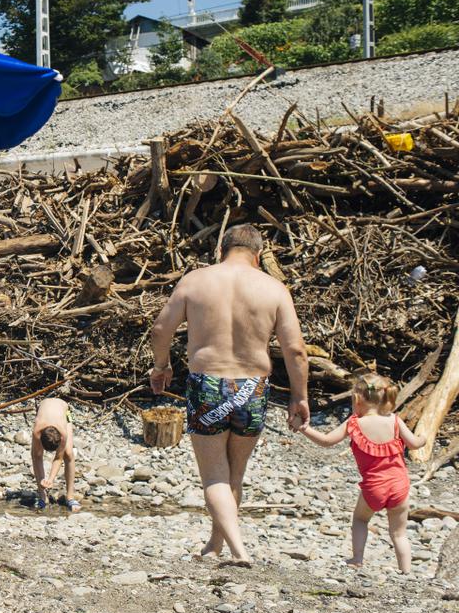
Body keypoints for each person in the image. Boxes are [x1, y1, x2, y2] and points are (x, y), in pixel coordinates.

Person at [148, 224, 309, 564]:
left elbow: (161, 328)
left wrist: (161, 366)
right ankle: (215, 545)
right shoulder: (274, 288)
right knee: (235, 473)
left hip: (208, 383)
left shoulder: (196, 280)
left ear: (221, 250)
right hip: (253, 387)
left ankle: (237, 550)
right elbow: (295, 350)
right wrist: (300, 396)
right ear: (258, 254)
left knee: (215, 476)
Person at [300, 374, 423, 574]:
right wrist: (424, 437)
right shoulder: (394, 420)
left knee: (360, 519)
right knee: (399, 534)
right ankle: (406, 571)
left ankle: (357, 558)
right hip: (400, 486)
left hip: (374, 487)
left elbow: (326, 440)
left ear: (357, 399)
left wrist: (303, 428)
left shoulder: (355, 423)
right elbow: (415, 444)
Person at [30, 397, 78, 510]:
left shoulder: (62, 433)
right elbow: (37, 457)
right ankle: (43, 497)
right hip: (43, 409)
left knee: (68, 453)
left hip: (64, 411)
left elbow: (58, 458)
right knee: (35, 454)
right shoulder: (37, 430)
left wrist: (51, 479)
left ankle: (70, 497)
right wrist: (43, 482)